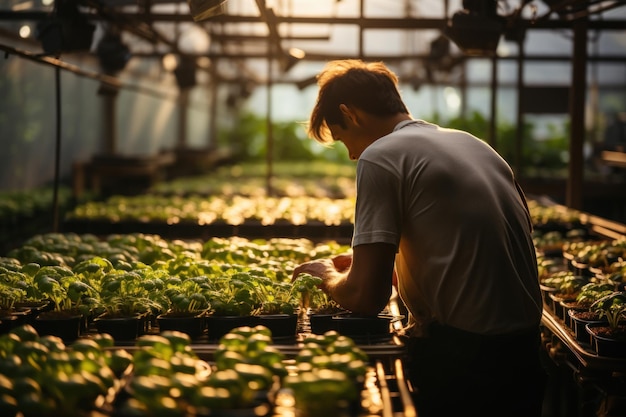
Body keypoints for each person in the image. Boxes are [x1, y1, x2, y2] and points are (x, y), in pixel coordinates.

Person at [291, 59, 546, 417]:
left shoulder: (381, 156)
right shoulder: (474, 145)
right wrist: (397, 270)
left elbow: (366, 297)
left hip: (467, 364)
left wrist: (327, 277)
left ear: (350, 115)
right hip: (524, 355)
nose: (351, 154)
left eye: (343, 138)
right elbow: (480, 251)